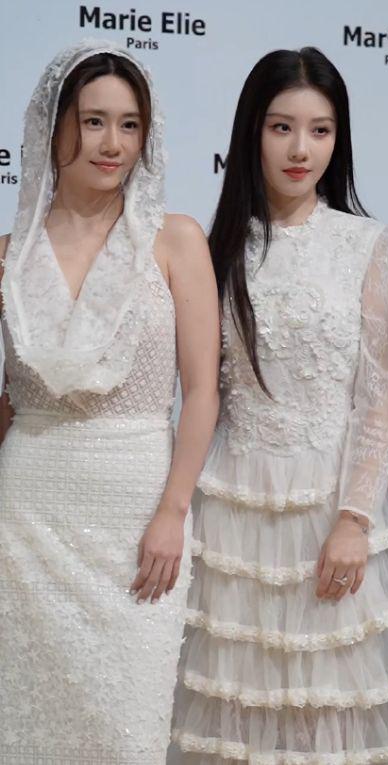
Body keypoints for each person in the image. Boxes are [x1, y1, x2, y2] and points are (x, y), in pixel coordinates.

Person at [171, 47, 388, 763]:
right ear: (252, 132)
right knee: (231, 713)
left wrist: (354, 519)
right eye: (281, 127)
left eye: (320, 130)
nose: (301, 149)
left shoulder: (366, 244)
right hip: (231, 508)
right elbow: (197, 391)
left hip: (329, 504)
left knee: (325, 712)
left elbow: (381, 399)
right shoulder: (213, 248)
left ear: (339, 139)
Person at [0, 41, 220, 763]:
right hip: (24, 516)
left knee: (127, 727)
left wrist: (172, 512)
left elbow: (202, 393)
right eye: (93, 121)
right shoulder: (8, 253)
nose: (112, 143)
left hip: (138, 515)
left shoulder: (175, 239)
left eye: (129, 125)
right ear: (55, 126)